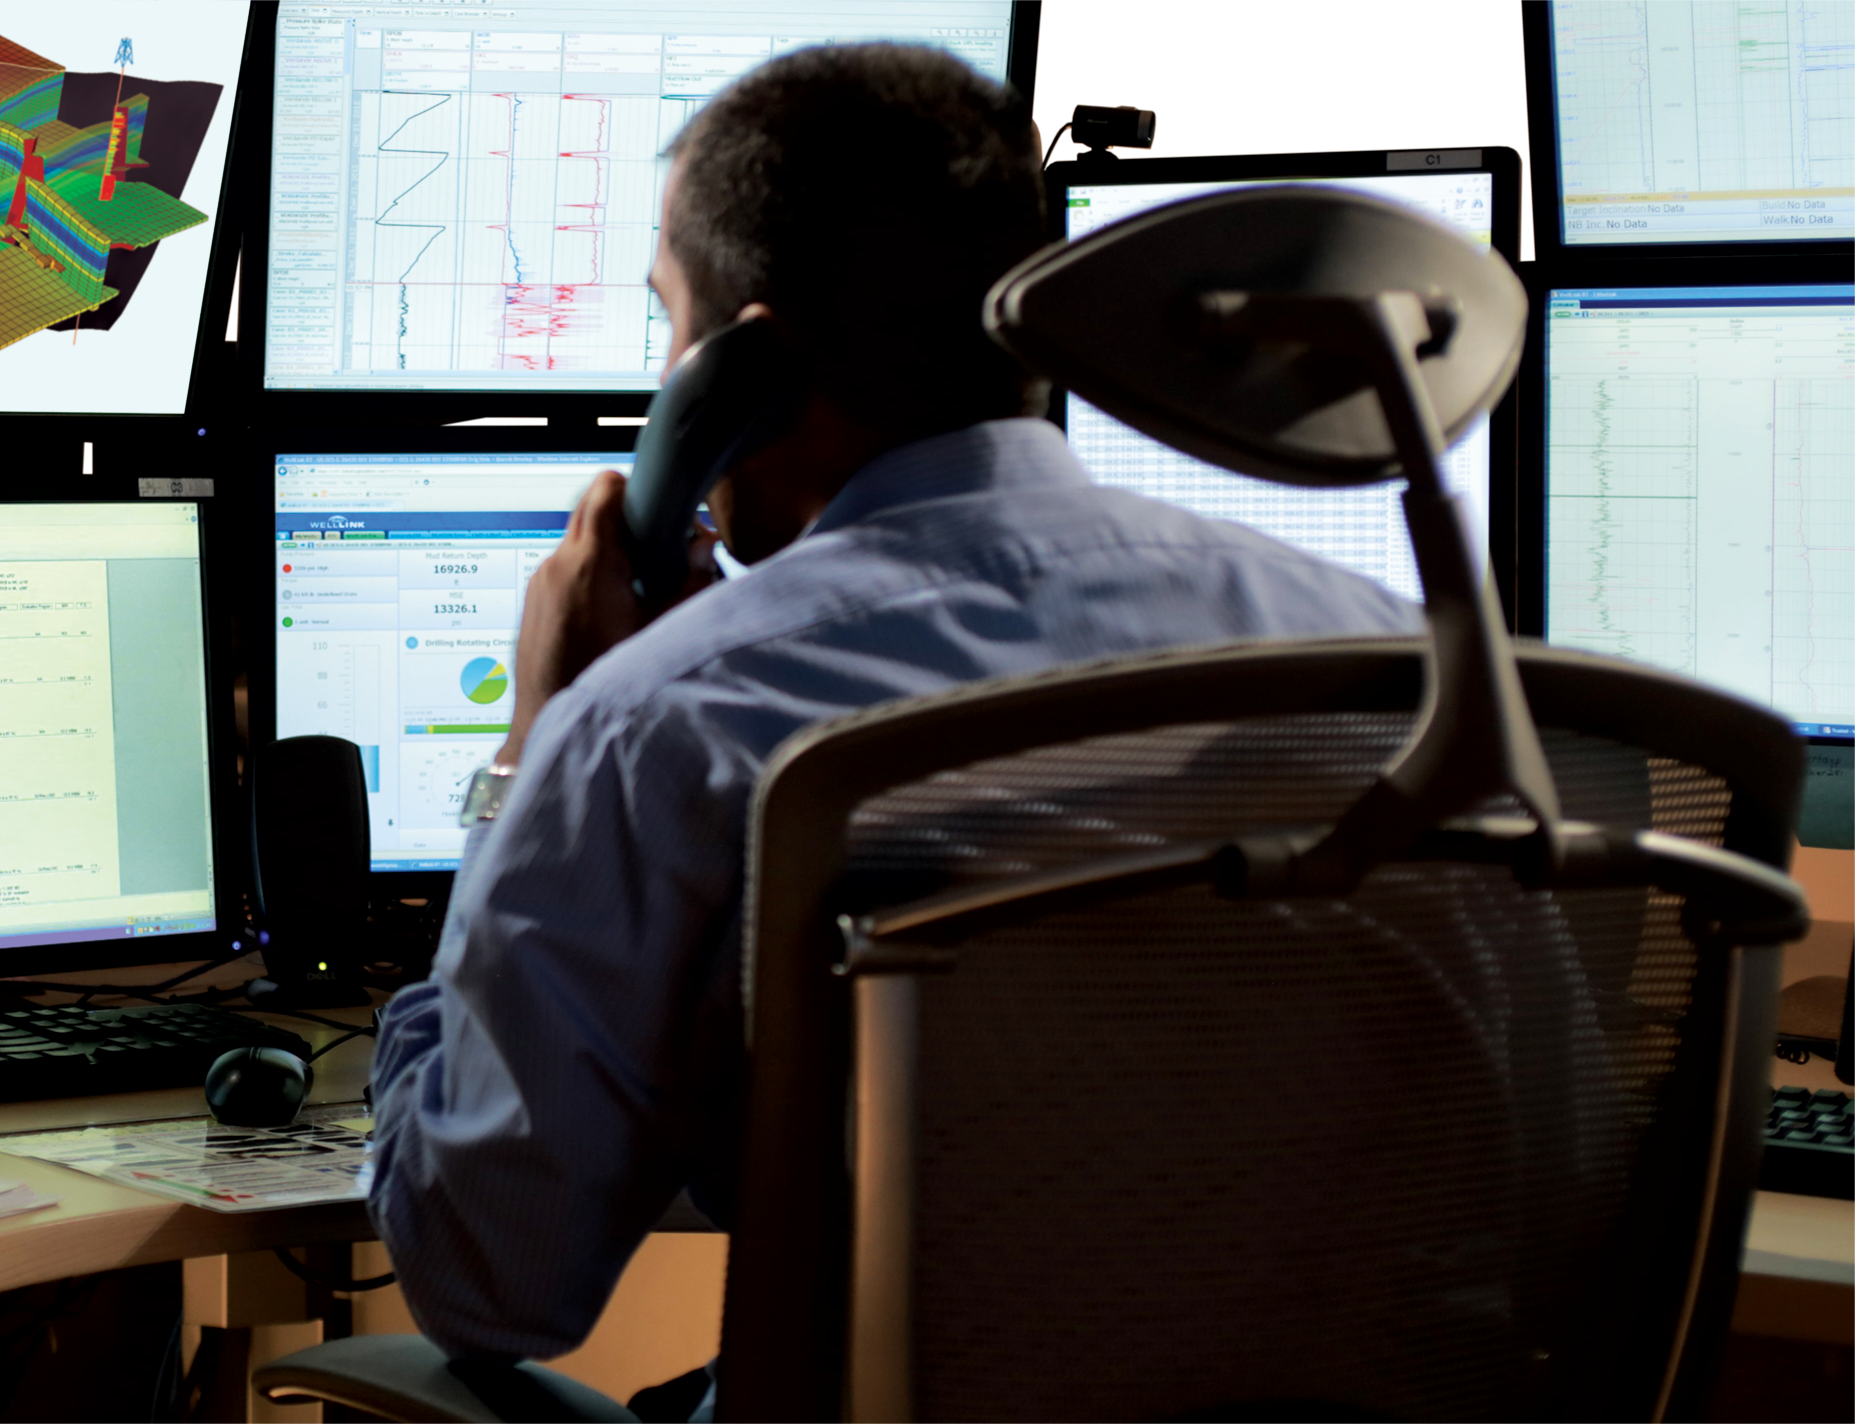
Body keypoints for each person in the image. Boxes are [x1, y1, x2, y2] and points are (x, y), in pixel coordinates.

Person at [360, 41, 1425, 1374]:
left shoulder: (663, 719)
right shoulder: (1396, 663)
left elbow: (484, 1273)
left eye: (667, 321)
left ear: (729, 378)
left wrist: (537, 740)